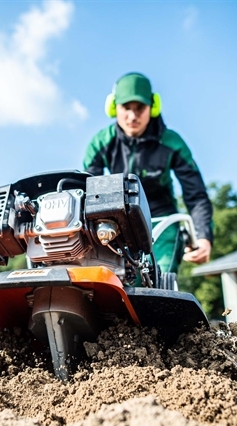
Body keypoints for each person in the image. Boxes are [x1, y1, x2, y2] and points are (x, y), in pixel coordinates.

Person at [83, 72, 213, 276]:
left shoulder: (172, 143)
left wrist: (204, 236)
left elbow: (195, 195)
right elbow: (86, 191)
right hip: (118, 224)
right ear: (113, 107)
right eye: (126, 108)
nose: (133, 116)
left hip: (162, 222)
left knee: (156, 277)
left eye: (140, 108)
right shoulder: (100, 143)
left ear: (152, 107)